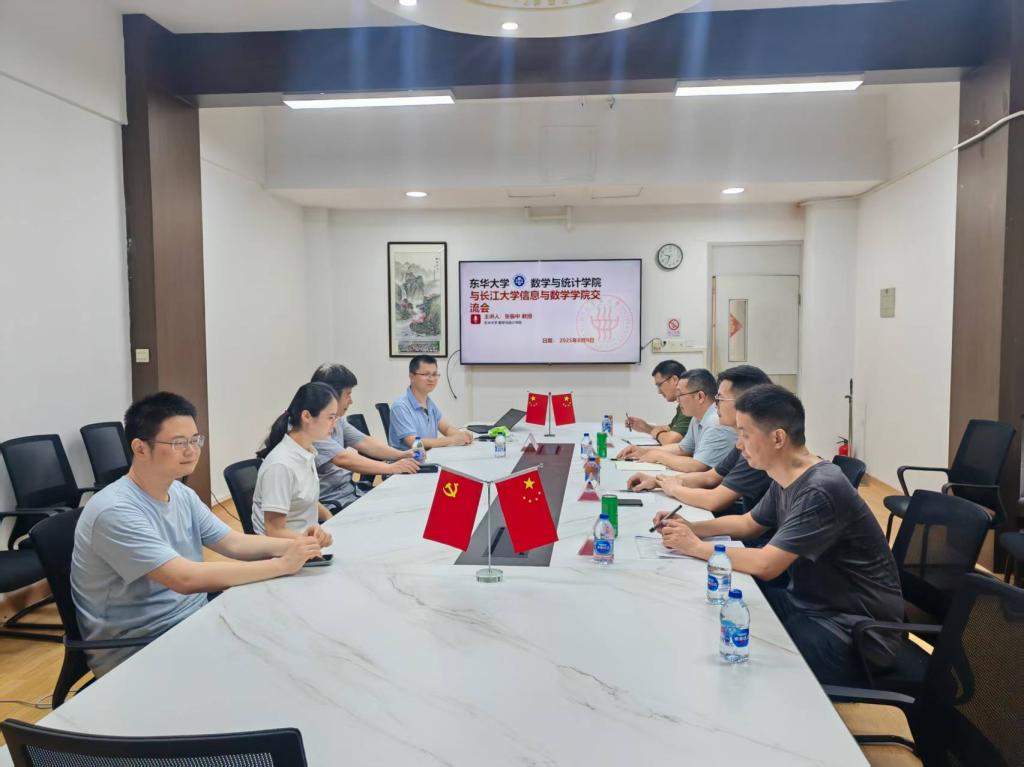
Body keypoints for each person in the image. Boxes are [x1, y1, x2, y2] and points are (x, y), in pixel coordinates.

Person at [657, 385, 903, 686]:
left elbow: (766, 564)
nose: (739, 445)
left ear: (777, 438)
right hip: (810, 605)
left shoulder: (820, 488)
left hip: (853, 635)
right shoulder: (787, 475)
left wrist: (695, 546)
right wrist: (691, 528)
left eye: (745, 434)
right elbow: (748, 524)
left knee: (741, 669)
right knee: (715, 618)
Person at [71, 392, 323, 677]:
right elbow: (185, 578)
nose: (192, 451)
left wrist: (296, 544)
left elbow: (233, 542)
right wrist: (282, 565)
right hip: (139, 647)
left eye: (195, 440)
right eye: (179, 443)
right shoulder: (114, 510)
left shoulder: (180, 493)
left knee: (292, 635)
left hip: (194, 619)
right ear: (140, 448)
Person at [627, 365, 772, 514]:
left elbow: (714, 498)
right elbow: (709, 477)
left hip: (737, 512)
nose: (716, 404)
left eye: (720, 399)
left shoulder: (757, 447)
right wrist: (658, 481)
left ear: (745, 403)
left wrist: (673, 487)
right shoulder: (742, 443)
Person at [310, 363, 420, 511]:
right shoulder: (312, 426)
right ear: (330, 395)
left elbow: (365, 442)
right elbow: (342, 458)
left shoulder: (337, 420)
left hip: (350, 492)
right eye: (348, 394)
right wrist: (391, 467)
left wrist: (402, 454)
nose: (351, 401)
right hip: (332, 503)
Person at [252, 382, 337, 543]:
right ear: (306, 416)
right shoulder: (281, 466)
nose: (334, 424)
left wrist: (330, 518)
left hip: (305, 542)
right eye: (330, 418)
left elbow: (304, 500)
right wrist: (314, 541)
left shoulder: (306, 451)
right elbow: (274, 531)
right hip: (284, 550)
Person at [618, 369, 736, 473]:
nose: (677, 401)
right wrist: (644, 451)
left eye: (680, 395)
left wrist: (659, 456)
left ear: (700, 396)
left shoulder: (715, 422)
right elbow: (682, 448)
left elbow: (698, 466)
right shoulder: (697, 418)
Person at [388, 355, 473, 449]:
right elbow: (414, 442)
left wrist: (460, 435)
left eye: (434, 374)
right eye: (425, 374)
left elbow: (446, 428)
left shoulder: (429, 403)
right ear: (412, 377)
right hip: (411, 458)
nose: (431, 379)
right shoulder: (400, 407)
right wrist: (452, 440)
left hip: (430, 455)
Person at [624, 360, 690, 445]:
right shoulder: (683, 403)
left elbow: (671, 441)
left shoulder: (689, 403)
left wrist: (656, 432)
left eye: (660, 385)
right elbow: (670, 429)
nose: (659, 391)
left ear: (674, 380)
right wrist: (646, 427)